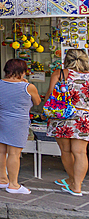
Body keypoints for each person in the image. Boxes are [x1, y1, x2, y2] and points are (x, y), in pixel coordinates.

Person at [0, 58, 41, 194]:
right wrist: (27, 84)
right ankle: (13, 184)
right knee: (14, 154)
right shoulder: (28, 87)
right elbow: (37, 101)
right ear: (22, 72)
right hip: (18, 122)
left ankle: (2, 180)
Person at [47, 48, 89, 197]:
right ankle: (76, 186)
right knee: (80, 152)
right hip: (83, 118)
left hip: (61, 117)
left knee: (65, 151)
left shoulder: (60, 74)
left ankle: (72, 180)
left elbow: (50, 97)